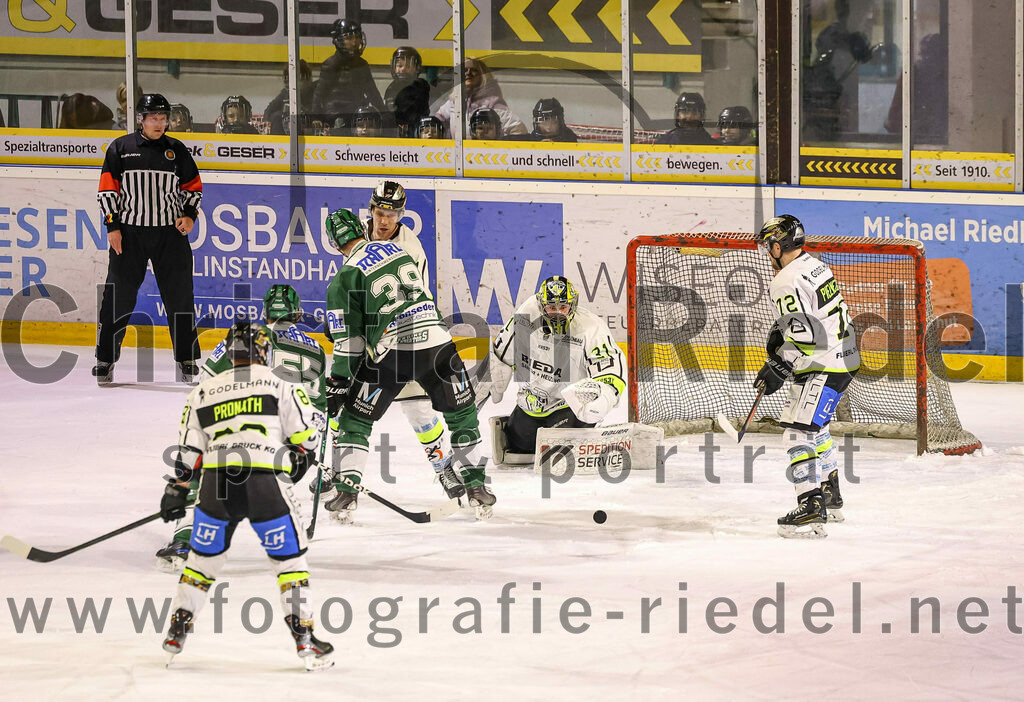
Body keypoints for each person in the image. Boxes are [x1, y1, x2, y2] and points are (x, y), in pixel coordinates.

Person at [159, 321, 333, 671]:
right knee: (289, 565)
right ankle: (305, 639)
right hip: (264, 484)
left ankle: (177, 629)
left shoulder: (203, 391)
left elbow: (189, 453)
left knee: (201, 564)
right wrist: (302, 457)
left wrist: (176, 489)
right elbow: (307, 437)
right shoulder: (280, 384)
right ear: (264, 352)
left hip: (216, 486)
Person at [321, 207, 494, 521]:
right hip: (439, 343)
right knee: (462, 417)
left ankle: (347, 492)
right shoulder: (397, 250)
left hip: (395, 352)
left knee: (354, 421)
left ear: (333, 244)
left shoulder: (343, 278)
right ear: (363, 228)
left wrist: (338, 383)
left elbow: (349, 343)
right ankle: (477, 487)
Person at [156, 284, 328, 570]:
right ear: (297, 314)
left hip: (240, 447)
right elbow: (319, 416)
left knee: (204, 453)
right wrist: (306, 449)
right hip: (292, 454)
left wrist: (184, 476)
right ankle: (288, 525)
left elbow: (206, 386)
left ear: (265, 312)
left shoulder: (247, 339)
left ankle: (184, 536)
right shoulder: (318, 349)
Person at [755, 214, 859, 539]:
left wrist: (778, 366)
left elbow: (806, 337)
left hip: (823, 364)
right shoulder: (816, 265)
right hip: (846, 356)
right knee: (818, 428)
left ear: (778, 245)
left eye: (769, 246)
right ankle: (831, 495)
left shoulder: (784, 280)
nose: (767, 252)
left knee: (796, 434)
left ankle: (811, 506)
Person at [93, 93, 202, 385]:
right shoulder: (121, 148)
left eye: (164, 118)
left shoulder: (176, 150)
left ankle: (187, 357)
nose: (160, 123)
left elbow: (193, 187)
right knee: (117, 298)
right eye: (154, 118)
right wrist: (112, 226)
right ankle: (105, 358)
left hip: (170, 235)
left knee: (180, 296)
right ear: (141, 118)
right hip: (130, 235)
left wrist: (189, 214)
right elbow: (107, 191)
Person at [489, 276, 626, 459]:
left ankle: (579, 431)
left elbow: (611, 370)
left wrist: (605, 397)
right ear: (541, 305)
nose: (558, 313)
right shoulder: (526, 315)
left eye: (563, 307)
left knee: (558, 449)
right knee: (521, 445)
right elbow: (501, 352)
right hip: (533, 402)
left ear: (573, 304)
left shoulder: (591, 328)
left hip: (571, 406)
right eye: (552, 307)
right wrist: (497, 371)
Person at [311, 19, 385, 132]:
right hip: (335, 115)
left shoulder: (362, 64)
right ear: (338, 40)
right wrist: (316, 117)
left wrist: (384, 114)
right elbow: (319, 94)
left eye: (357, 37)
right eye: (349, 38)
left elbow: (373, 92)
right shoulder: (331, 64)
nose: (355, 42)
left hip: (357, 114)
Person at [433, 57, 528, 137]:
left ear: (483, 76)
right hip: (459, 157)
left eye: (474, 70)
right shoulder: (453, 103)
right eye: (464, 70)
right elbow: (435, 123)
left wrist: (502, 150)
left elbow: (518, 130)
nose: (468, 73)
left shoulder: (493, 104)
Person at [384, 46, 431, 137]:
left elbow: (421, 112)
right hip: (395, 131)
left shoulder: (420, 86)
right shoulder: (392, 88)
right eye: (400, 66)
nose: (403, 69)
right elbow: (389, 112)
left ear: (417, 68)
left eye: (408, 66)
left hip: (415, 129)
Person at [264, 59, 315, 136]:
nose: (296, 83)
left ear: (307, 79)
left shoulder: (314, 94)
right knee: (277, 116)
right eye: (290, 79)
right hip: (285, 136)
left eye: (300, 79)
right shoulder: (285, 93)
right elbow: (269, 111)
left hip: (305, 136)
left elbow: (316, 116)